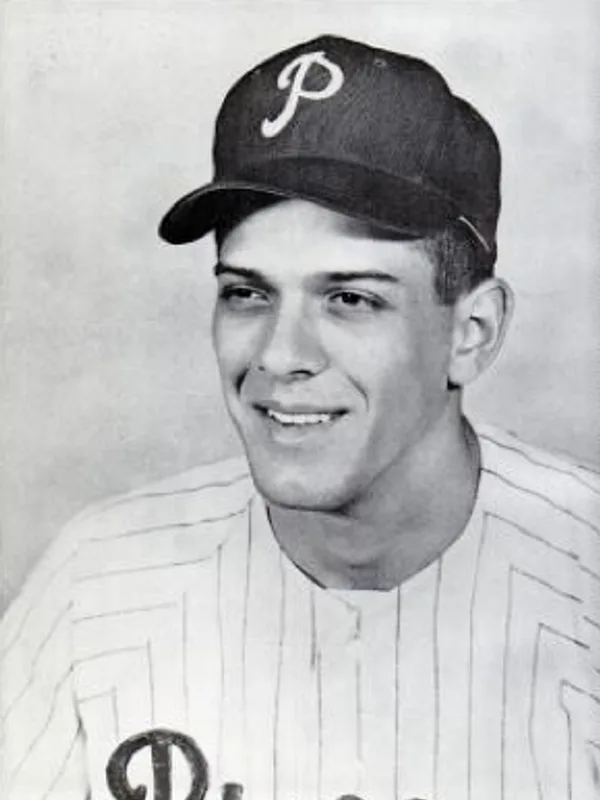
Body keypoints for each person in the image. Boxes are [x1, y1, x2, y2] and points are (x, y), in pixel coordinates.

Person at [1, 33, 599, 800]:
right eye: (247, 293)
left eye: (350, 299)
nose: (281, 355)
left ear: (471, 332)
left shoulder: (582, 578)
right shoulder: (100, 581)